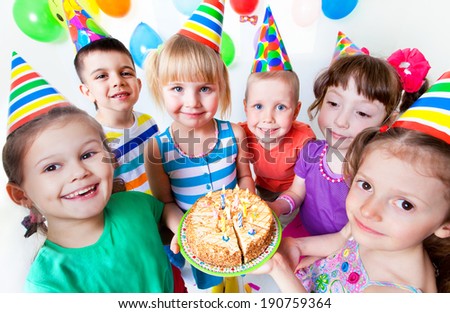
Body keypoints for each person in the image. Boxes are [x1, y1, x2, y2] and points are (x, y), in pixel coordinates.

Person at [252, 73, 450, 291]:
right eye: (366, 185)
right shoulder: (374, 230)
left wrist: (278, 269)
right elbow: (344, 238)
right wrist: (297, 245)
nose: (367, 210)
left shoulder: (389, 293)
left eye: (406, 204)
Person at [3, 105, 186, 292]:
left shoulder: (135, 203)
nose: (79, 172)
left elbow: (164, 211)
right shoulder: (47, 284)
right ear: (22, 195)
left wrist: (181, 228)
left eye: (87, 155)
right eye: (51, 167)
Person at [144, 1, 254, 292]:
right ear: (161, 88)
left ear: (222, 88)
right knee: (210, 288)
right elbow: (165, 202)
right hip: (196, 242)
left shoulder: (235, 134)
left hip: (236, 232)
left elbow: (244, 177)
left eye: (205, 88)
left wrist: (248, 208)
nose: (192, 101)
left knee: (236, 282)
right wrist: (184, 230)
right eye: (178, 88)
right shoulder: (157, 149)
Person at [270, 54, 407, 238]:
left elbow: (360, 228)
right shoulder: (311, 151)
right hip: (304, 232)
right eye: (333, 103)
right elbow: (296, 192)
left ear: (388, 121)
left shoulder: (373, 171)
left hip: (347, 248)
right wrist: (277, 206)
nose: (341, 121)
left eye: (362, 113)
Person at [239, 6, 315, 230]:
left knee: (282, 231)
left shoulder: (304, 140)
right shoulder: (241, 132)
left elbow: (305, 185)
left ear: (296, 110)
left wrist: (283, 204)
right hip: (260, 188)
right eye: (258, 106)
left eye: (280, 107)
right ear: (246, 107)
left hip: (294, 193)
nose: (268, 118)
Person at [74, 37, 159, 194]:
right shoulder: (94, 142)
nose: (117, 81)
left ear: (138, 84)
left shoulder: (148, 122)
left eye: (125, 73)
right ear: (87, 92)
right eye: (102, 76)